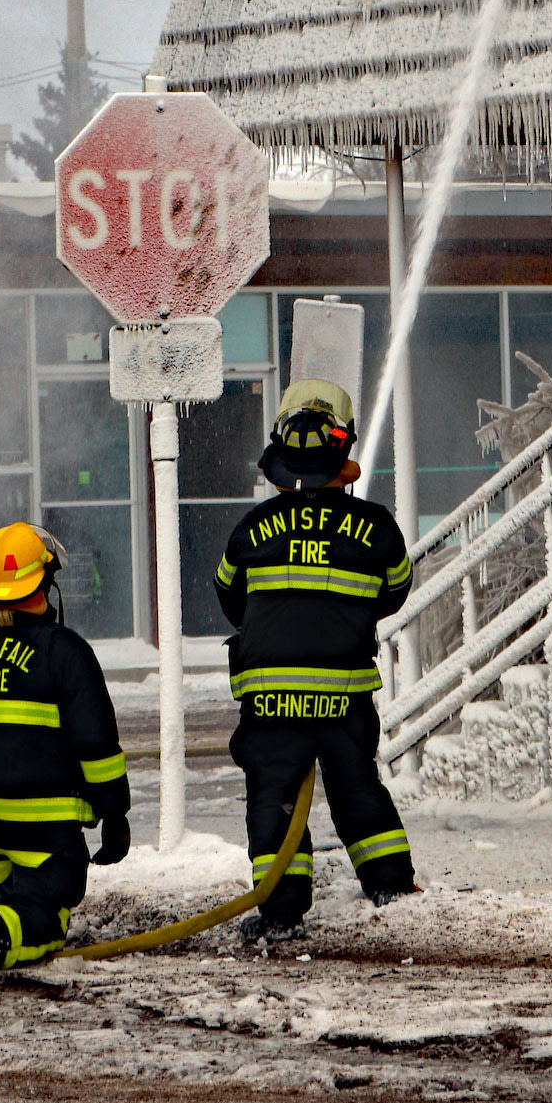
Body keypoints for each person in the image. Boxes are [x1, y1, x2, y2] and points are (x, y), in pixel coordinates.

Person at [216, 378, 416, 945]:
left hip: (271, 703)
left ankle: (281, 911)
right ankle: (391, 888)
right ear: (342, 450)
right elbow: (395, 591)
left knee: (273, 800)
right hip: (344, 697)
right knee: (357, 789)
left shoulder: (252, 529)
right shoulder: (376, 528)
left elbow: (229, 595)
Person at [0, 520, 131, 984]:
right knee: (45, 914)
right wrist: (115, 815)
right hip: (42, 824)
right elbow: (97, 747)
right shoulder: (66, 652)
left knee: (2, 893)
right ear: (44, 583)